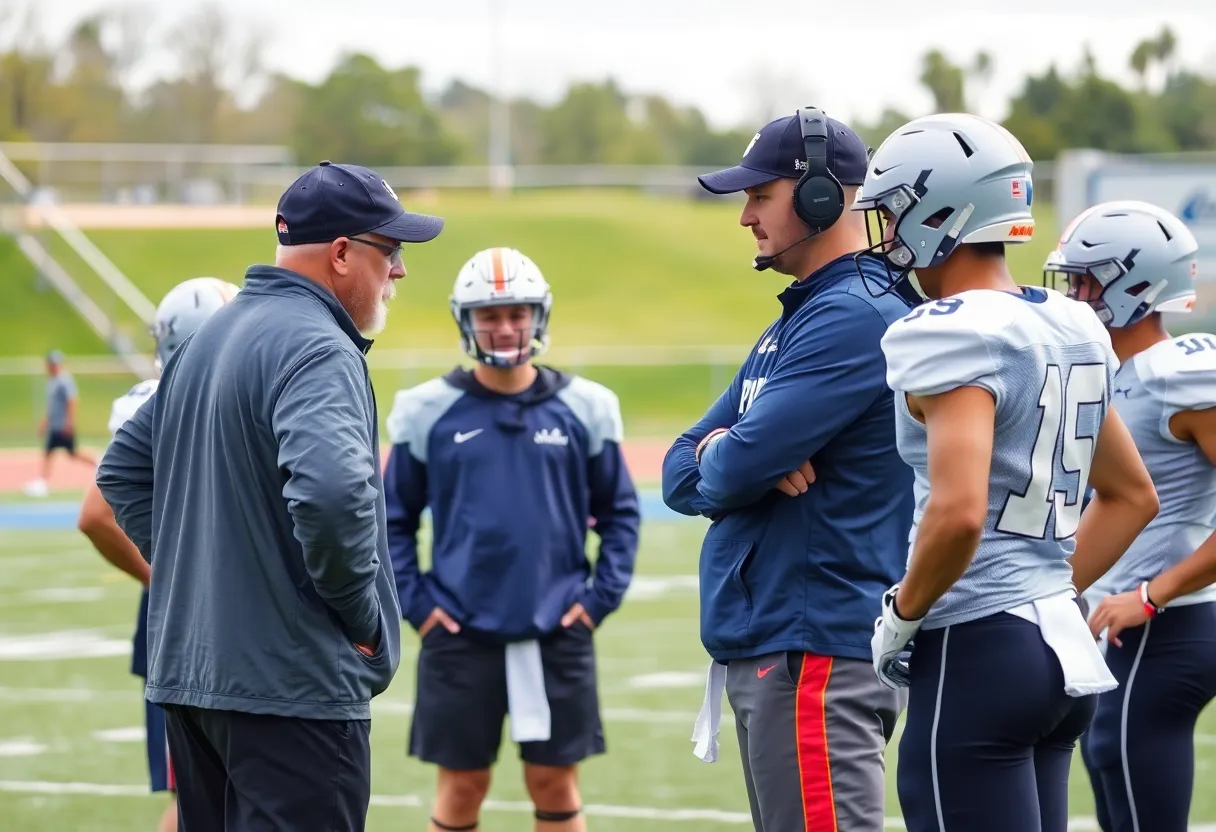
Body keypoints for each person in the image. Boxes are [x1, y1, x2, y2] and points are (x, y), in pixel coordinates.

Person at [96, 160, 443, 831]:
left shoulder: (208, 340)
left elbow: (122, 473)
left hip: (196, 680)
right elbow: (333, 496)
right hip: (291, 688)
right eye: (390, 250)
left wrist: (193, 582)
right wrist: (361, 620)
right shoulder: (319, 346)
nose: (398, 270)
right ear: (342, 254)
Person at [857, 114, 1160, 832]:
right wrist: (1048, 591)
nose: (887, 230)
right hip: (1059, 648)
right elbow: (1130, 495)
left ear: (941, 212)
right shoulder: (1072, 321)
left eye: (895, 209)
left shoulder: (948, 328)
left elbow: (959, 512)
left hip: (978, 647)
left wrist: (903, 615)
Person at [660, 108, 919, 832]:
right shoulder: (802, 317)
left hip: (816, 648)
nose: (745, 216)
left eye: (759, 195)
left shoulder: (851, 316)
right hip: (790, 639)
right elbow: (683, 471)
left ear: (820, 196)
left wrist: (734, 455)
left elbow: (731, 463)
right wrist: (729, 454)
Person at [384, 246, 641, 832]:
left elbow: (620, 515)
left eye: (517, 313)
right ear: (465, 321)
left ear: (538, 315)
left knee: (554, 781)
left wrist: (596, 601)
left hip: (558, 627)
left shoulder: (586, 406)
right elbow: (391, 519)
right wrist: (419, 606)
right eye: (489, 315)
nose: (504, 326)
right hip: (459, 632)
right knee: (461, 787)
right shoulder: (426, 410)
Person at [1043, 200, 1216, 832]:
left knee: (1125, 762)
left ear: (1136, 284)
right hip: (1136, 623)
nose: (1074, 293)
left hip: (1170, 624)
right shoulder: (1117, 372)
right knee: (1108, 756)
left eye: (1086, 279)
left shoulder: (1177, 374)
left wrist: (1149, 594)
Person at [77, 276, 240, 832]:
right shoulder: (156, 404)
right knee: (198, 798)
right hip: (190, 627)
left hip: (214, 622)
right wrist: (168, 576)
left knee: (223, 793)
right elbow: (96, 514)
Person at [26, 350, 95, 497]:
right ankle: (43, 482)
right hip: (54, 425)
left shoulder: (64, 380)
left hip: (62, 426)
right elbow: (52, 406)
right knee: (55, 452)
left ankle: (97, 463)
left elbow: (72, 400)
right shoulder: (52, 381)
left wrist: (69, 422)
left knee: (69, 452)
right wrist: (45, 422)